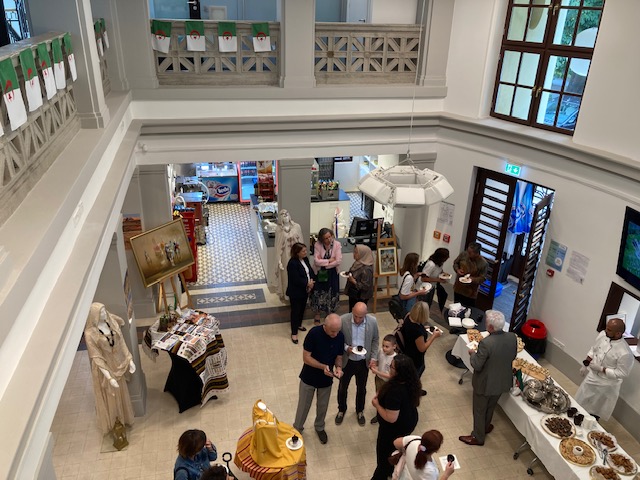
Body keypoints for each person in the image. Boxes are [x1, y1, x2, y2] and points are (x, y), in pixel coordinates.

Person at [459, 310, 516, 446]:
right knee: (491, 406)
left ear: (490, 327)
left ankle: (478, 437)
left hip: (485, 383)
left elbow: (477, 365)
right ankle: (485, 426)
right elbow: (513, 356)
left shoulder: (486, 343)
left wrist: (472, 353)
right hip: (502, 380)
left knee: (479, 410)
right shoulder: (512, 337)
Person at [84, 302, 137, 434]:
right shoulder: (90, 334)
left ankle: (123, 419)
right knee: (110, 396)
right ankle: (114, 423)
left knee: (121, 392)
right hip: (104, 367)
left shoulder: (111, 322)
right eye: (101, 312)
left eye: (104, 310)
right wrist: (109, 377)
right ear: (94, 315)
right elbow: (96, 357)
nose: (104, 314)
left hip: (116, 363)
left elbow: (121, 342)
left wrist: (129, 359)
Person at [293, 313, 344, 445]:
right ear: (325, 326)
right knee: (303, 406)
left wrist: (338, 367)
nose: (335, 334)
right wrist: (323, 367)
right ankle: (297, 429)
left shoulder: (339, 335)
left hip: (326, 379)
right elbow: (306, 358)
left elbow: (339, 356)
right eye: (332, 331)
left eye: (337, 331)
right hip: (309, 377)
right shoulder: (314, 334)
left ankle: (320, 427)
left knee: (323, 406)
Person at [371, 354, 421, 480]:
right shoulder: (411, 381)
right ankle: (390, 469)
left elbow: (391, 418)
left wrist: (377, 405)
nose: (389, 367)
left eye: (392, 367)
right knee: (395, 452)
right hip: (408, 421)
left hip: (393, 430)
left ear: (398, 372)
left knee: (384, 457)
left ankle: (382, 475)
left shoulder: (395, 392)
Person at [575, 317, 634, 421]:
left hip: (606, 385)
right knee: (579, 401)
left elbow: (622, 373)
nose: (606, 330)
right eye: (607, 327)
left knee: (594, 411)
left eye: (609, 330)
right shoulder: (603, 335)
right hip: (592, 377)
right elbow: (593, 350)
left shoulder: (625, 353)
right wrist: (585, 364)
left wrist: (601, 369)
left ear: (618, 334)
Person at [335, 302, 380, 426]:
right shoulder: (343, 320)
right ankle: (341, 409)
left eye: (361, 317)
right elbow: (337, 339)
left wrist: (374, 357)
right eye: (355, 316)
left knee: (361, 388)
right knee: (343, 387)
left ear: (366, 314)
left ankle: (360, 411)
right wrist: (346, 348)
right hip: (347, 361)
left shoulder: (372, 322)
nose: (358, 319)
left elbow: (375, 340)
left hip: (363, 362)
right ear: (352, 311)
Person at [400, 302, 442, 395]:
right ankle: (413, 392)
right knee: (415, 376)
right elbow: (422, 348)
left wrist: (424, 328)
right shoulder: (417, 331)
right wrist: (434, 336)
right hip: (414, 358)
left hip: (407, 351)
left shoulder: (408, 317)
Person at [286, 242, 316, 344]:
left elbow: (310, 271)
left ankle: (299, 324)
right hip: (296, 292)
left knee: (302, 309)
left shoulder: (305, 259)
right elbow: (296, 279)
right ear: (297, 252)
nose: (305, 252)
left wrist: (311, 281)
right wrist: (307, 284)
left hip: (305, 290)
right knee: (295, 312)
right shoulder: (292, 263)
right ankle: (294, 333)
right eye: (303, 251)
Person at [311, 228, 342, 324]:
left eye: (330, 237)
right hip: (320, 273)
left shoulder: (337, 244)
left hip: (332, 273)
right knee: (319, 292)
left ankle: (329, 313)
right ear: (321, 239)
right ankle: (317, 313)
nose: (329, 239)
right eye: (326, 238)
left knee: (331, 293)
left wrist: (323, 263)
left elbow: (338, 261)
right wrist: (329, 261)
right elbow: (316, 261)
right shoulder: (317, 245)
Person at [275, 209, 304, 300]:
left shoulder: (296, 227)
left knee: (297, 272)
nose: (285, 216)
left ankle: (298, 292)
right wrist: (279, 260)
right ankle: (287, 293)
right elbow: (278, 245)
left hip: (296, 253)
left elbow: (301, 241)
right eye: (283, 215)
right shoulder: (279, 229)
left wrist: (302, 254)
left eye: (286, 214)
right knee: (286, 274)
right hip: (285, 254)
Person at [370, 334, 397, 424]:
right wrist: (374, 365)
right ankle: (379, 415)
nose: (384, 348)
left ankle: (386, 415)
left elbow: (391, 376)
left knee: (386, 399)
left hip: (388, 383)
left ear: (394, 346)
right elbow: (378, 362)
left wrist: (377, 372)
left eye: (387, 347)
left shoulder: (394, 359)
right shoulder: (381, 351)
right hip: (378, 379)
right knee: (379, 397)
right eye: (383, 346)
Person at [452, 242, 487, 307]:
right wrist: (457, 270)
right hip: (458, 287)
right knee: (455, 307)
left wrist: (471, 279)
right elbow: (455, 263)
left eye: (470, 253)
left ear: (476, 253)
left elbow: (483, 278)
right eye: (467, 251)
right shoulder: (463, 254)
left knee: (468, 309)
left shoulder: (483, 263)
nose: (467, 254)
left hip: (471, 292)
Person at [418, 248, 450, 313]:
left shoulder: (440, 263)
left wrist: (444, 275)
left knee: (428, 305)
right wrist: (438, 280)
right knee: (422, 306)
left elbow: (439, 271)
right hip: (424, 287)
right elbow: (423, 278)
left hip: (431, 287)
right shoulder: (431, 264)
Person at [345, 244, 375, 312]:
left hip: (361, 296)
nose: (354, 254)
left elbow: (365, 286)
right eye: (354, 252)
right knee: (352, 311)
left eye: (356, 252)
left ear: (363, 254)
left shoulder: (367, 269)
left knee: (358, 312)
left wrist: (353, 281)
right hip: (354, 293)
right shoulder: (358, 263)